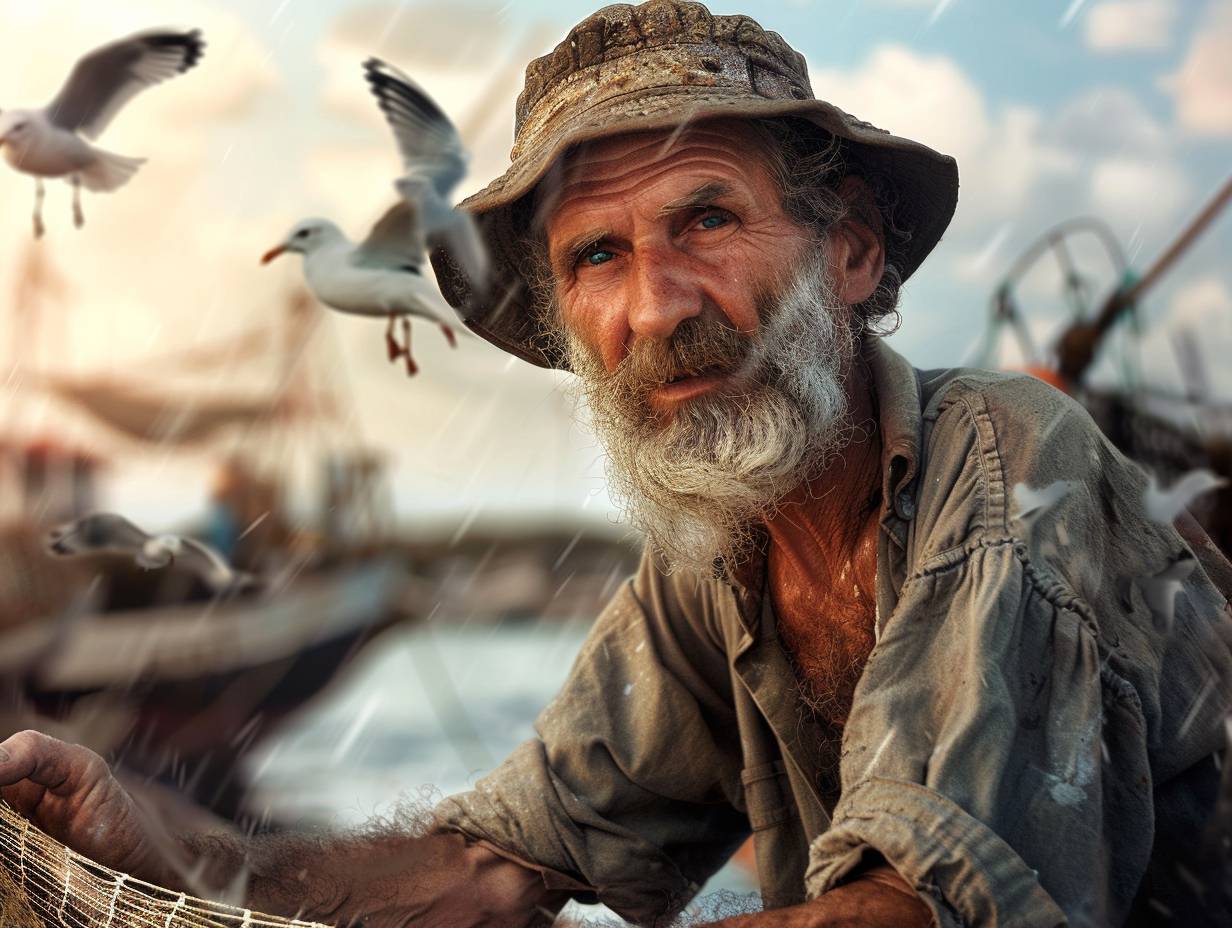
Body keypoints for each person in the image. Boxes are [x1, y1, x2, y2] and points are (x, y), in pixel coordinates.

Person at [3, 2, 1230, 925]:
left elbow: (913, 910)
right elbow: (485, 869)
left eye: (705, 218)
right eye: (596, 254)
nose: (655, 306)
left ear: (849, 254)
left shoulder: (1009, 461)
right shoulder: (714, 562)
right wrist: (164, 849)